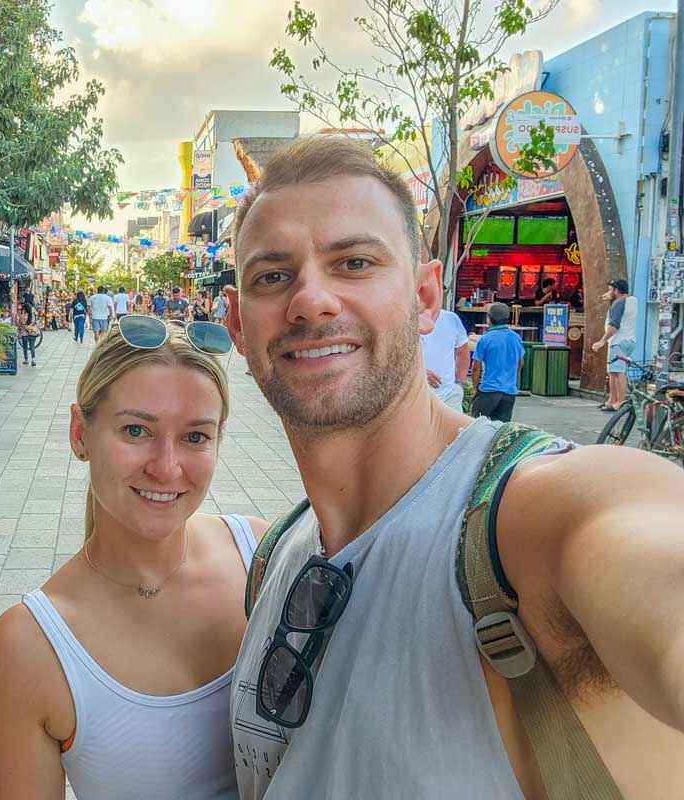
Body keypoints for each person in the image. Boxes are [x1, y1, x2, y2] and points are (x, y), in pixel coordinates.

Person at [225, 136, 684, 798]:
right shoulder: (278, 557)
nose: (311, 300)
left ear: (426, 297)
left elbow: (650, 560)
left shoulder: (531, 514)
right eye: (273, 276)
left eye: (354, 263)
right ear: (237, 325)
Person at [0, 317, 267, 799]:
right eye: (136, 430)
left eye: (195, 436)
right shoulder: (29, 649)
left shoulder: (262, 556)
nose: (166, 467)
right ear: (80, 434)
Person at [469, 303, 524, 422]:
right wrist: (510, 378)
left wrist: (474, 388)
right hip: (509, 392)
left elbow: (476, 367)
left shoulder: (485, 339)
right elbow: (520, 362)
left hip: (488, 390)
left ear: (488, 319)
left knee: (475, 424)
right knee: (501, 427)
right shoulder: (516, 338)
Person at [592, 278, 638, 411]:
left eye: (611, 289)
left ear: (616, 290)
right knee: (612, 371)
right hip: (628, 340)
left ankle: (620, 402)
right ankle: (611, 400)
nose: (608, 292)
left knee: (618, 372)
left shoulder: (618, 303)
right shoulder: (633, 300)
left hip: (618, 340)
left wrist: (602, 341)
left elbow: (614, 326)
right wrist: (611, 299)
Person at [420, 307, 470, 410]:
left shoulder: (451, 319)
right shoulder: (402, 319)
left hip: (449, 397)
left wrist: (460, 383)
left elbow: (463, 352)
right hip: (415, 398)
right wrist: (417, 372)